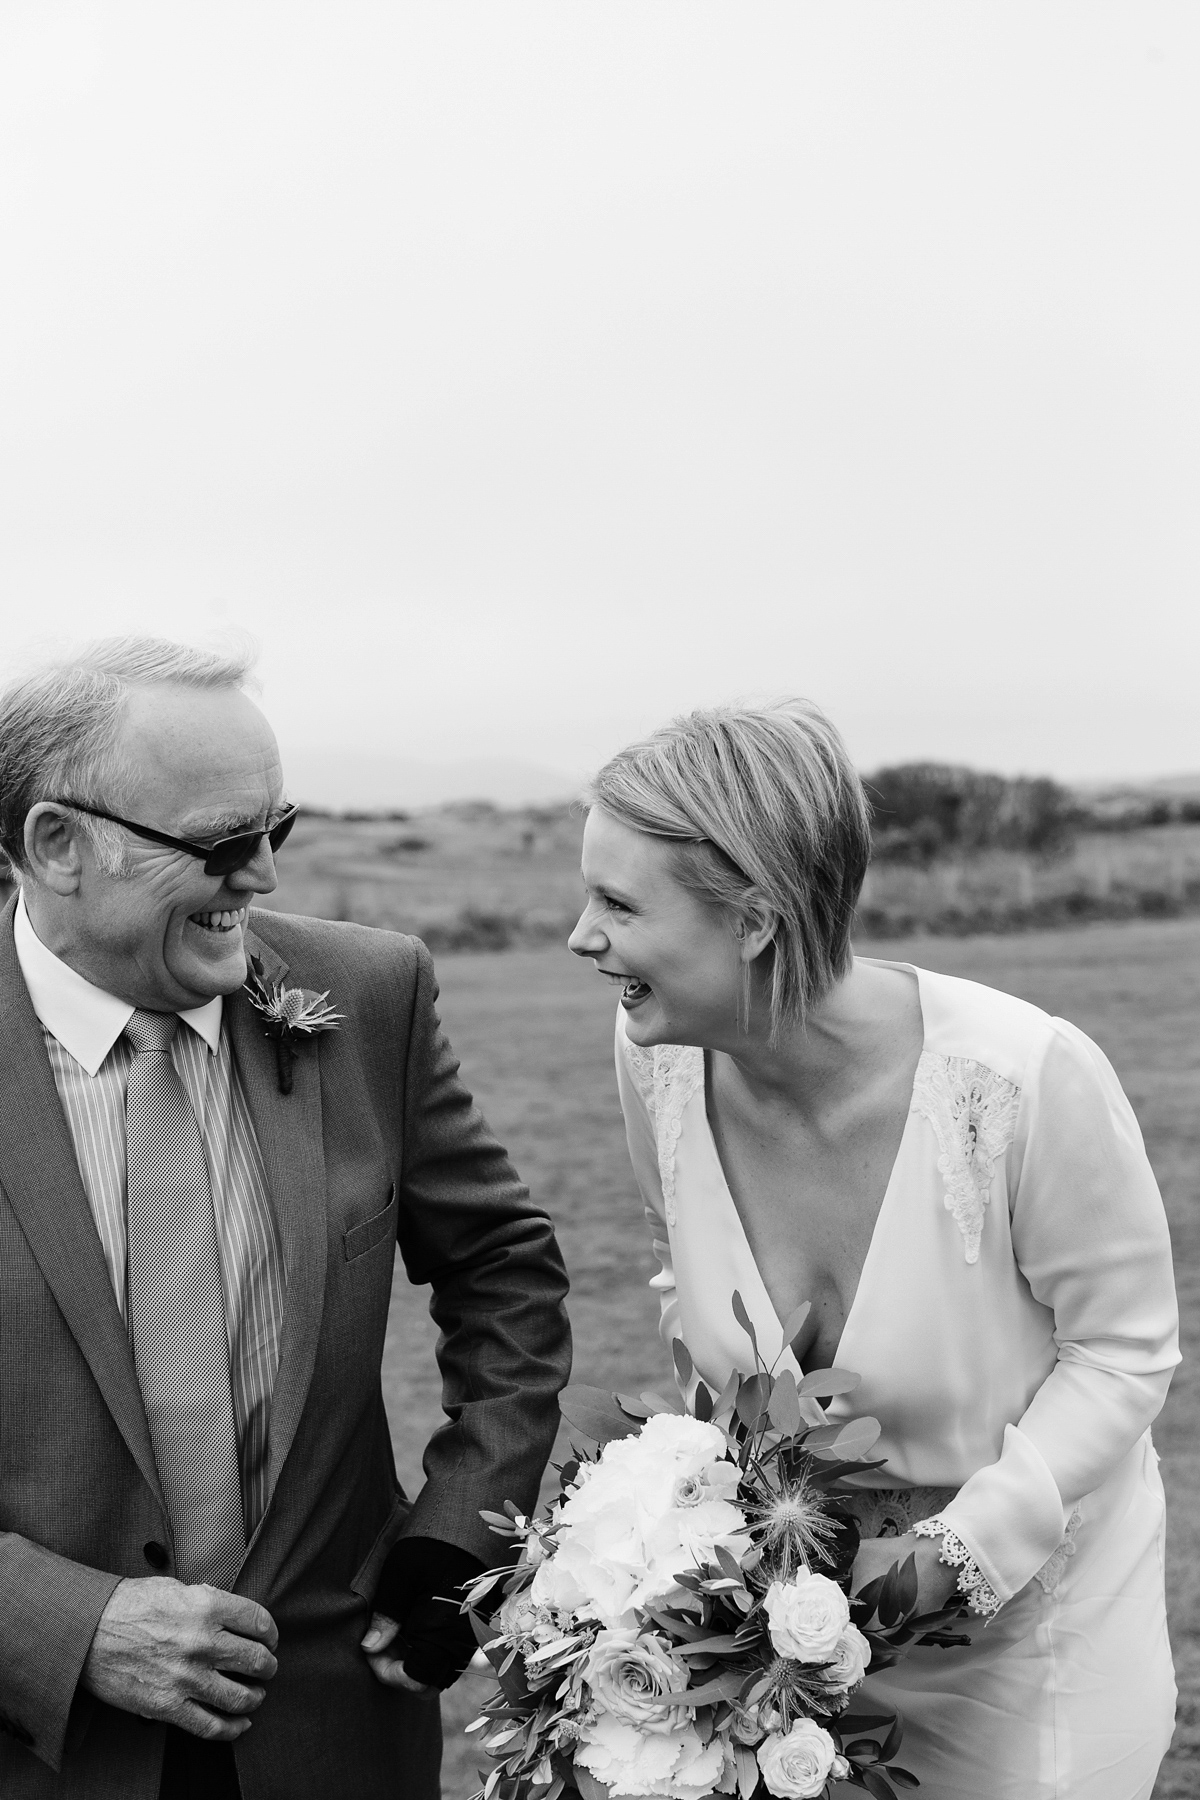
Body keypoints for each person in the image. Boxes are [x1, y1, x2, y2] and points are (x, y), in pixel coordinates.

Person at [568, 698, 1179, 1800]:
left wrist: (954, 1558)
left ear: (754, 918)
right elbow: (678, 1262)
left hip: (1035, 1642)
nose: (581, 936)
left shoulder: (1023, 1080)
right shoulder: (654, 1054)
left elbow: (1123, 1353)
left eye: (617, 902)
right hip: (800, 1624)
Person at [0, 637, 572, 1800]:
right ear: (58, 846)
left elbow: (504, 1268)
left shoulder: (369, 994)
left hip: (332, 1733)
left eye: (280, 829)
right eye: (222, 844)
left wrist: (458, 1525)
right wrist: (59, 1623)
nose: (263, 878)